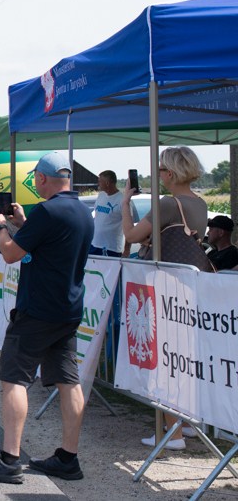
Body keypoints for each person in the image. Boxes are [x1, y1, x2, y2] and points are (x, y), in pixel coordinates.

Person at [0, 152, 93, 484]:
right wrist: (21, 225)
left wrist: (1, 226)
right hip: (67, 308)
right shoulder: (82, 210)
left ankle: (9, 458)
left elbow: (10, 253)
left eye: (36, 179)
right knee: (68, 381)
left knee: (14, 380)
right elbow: (49, 244)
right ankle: (68, 457)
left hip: (37, 309)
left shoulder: (48, 210)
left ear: (41, 179)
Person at [123, 146, 207, 451]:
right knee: (184, 358)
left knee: (167, 360)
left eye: (160, 169)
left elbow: (131, 235)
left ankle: (173, 433)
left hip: (167, 288)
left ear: (169, 174)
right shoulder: (199, 202)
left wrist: (125, 204)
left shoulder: (168, 203)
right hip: (191, 287)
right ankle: (187, 423)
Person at [90, 170, 124, 257]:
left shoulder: (122, 199)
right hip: (94, 244)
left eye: (100, 182)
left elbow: (127, 224)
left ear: (107, 183)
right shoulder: (101, 195)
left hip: (111, 248)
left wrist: (127, 249)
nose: (98, 184)